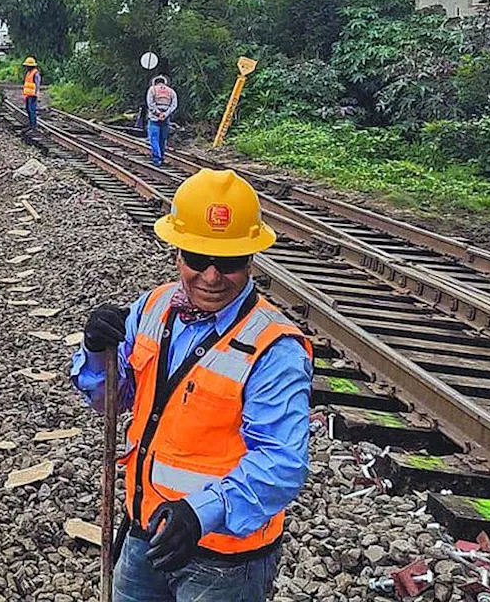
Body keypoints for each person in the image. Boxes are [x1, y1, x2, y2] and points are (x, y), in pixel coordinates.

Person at [70, 168, 310, 602]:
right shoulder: (155, 306)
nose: (212, 277)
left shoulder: (273, 347)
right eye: (198, 258)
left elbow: (283, 463)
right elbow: (113, 398)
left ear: (252, 259)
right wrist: (96, 352)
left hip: (222, 562)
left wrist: (202, 513)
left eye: (230, 262)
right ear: (177, 252)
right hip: (146, 534)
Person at [147, 75, 178, 166]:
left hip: (154, 118)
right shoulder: (171, 91)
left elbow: (150, 103)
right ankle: (162, 156)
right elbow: (174, 105)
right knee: (162, 139)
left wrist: (157, 113)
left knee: (154, 139)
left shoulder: (152, 90)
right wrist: (165, 114)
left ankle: (157, 159)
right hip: (166, 118)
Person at [21, 56, 40, 133]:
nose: (26, 67)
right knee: (28, 110)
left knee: (32, 110)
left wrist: (36, 94)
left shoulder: (35, 73)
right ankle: (31, 125)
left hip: (32, 95)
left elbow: (37, 84)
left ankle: (33, 126)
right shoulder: (29, 73)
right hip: (28, 95)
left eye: (27, 66)